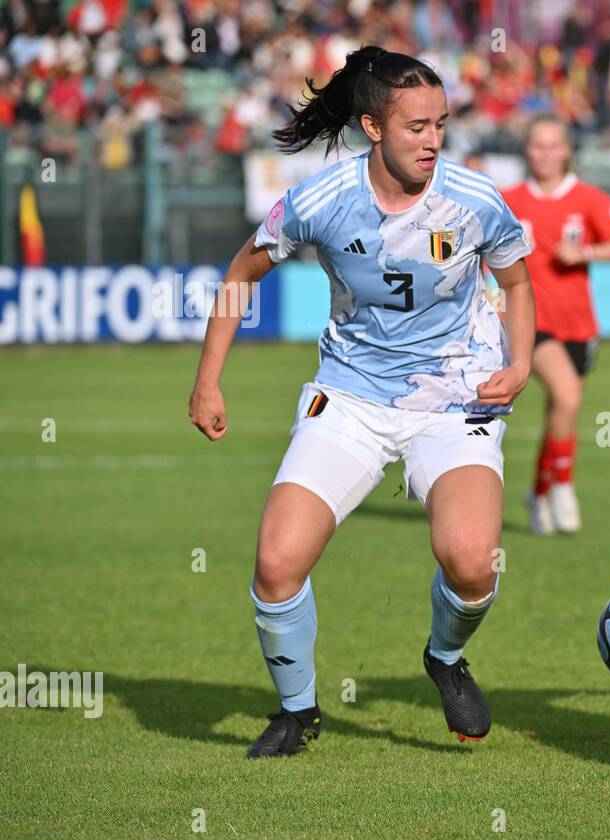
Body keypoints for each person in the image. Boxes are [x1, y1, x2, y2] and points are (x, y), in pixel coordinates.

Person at [187, 46, 535, 757]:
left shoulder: (474, 199)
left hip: (454, 398)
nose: (434, 140)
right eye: (416, 127)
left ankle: (444, 657)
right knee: (278, 562)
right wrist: (207, 378)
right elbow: (240, 272)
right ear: (373, 127)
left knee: (471, 562)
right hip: (349, 395)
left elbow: (519, 284)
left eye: (441, 123)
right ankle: (298, 712)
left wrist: (522, 362)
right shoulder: (320, 200)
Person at [502, 115, 610, 534]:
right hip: (530, 321)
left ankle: (538, 494)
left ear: (566, 151)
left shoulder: (589, 198)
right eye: (538, 146)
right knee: (567, 395)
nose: (545, 154)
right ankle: (562, 486)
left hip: (578, 324)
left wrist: (587, 254)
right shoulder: (507, 199)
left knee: (561, 410)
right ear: (528, 151)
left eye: (553, 145)